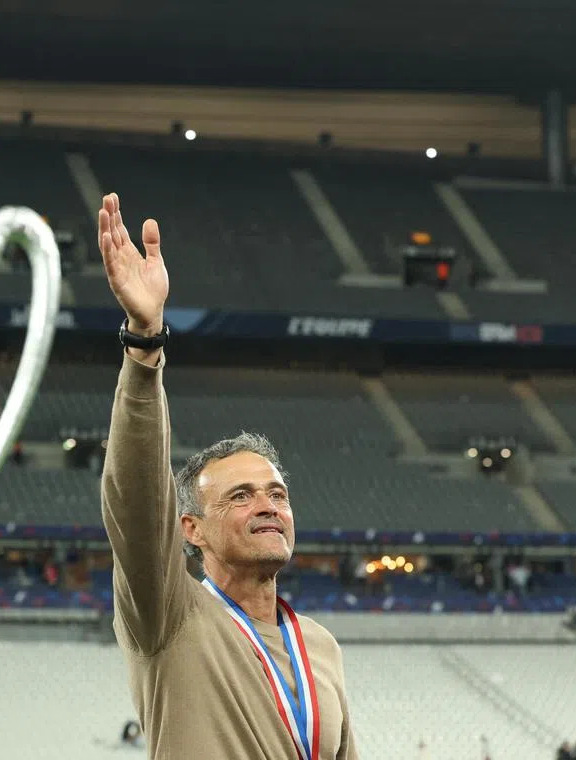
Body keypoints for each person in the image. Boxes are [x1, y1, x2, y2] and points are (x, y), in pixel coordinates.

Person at [97, 192, 357, 760]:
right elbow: (137, 507)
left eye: (277, 494)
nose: (267, 505)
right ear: (191, 529)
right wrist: (144, 347)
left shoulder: (320, 646)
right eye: (241, 495)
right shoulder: (168, 617)